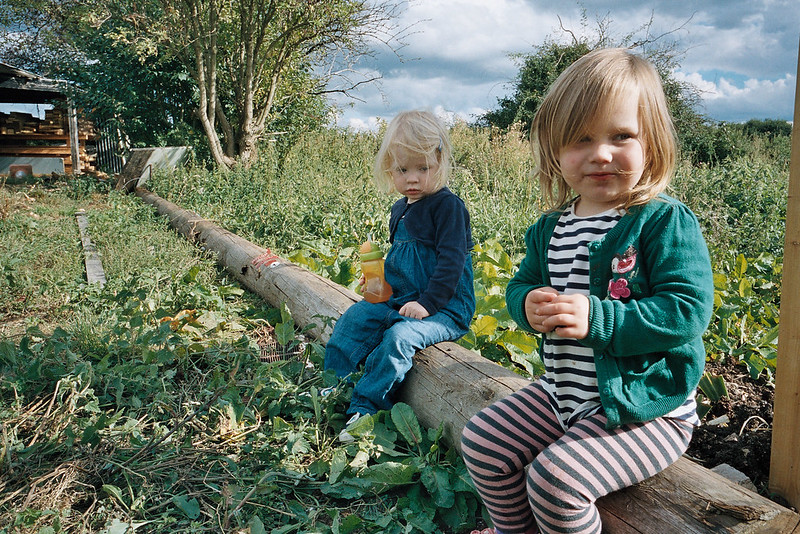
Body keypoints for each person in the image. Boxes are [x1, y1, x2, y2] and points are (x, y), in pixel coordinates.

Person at [461, 48, 715, 534]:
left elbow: (686, 311)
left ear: (653, 144)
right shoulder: (549, 229)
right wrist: (526, 304)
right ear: (556, 152)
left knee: (556, 480)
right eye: (580, 140)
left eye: (621, 136)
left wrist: (600, 320)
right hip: (565, 392)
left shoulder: (661, 222)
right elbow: (521, 284)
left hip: (645, 406)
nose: (601, 153)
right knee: (484, 442)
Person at [325, 110, 476, 441]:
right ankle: (335, 384)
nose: (413, 179)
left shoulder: (447, 207)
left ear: (440, 163)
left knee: (399, 339)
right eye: (403, 170)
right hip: (404, 299)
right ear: (390, 169)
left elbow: (451, 261)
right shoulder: (400, 209)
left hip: (445, 307)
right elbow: (405, 262)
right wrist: (380, 283)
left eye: (423, 169)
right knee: (355, 318)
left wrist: (428, 304)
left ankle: (364, 409)